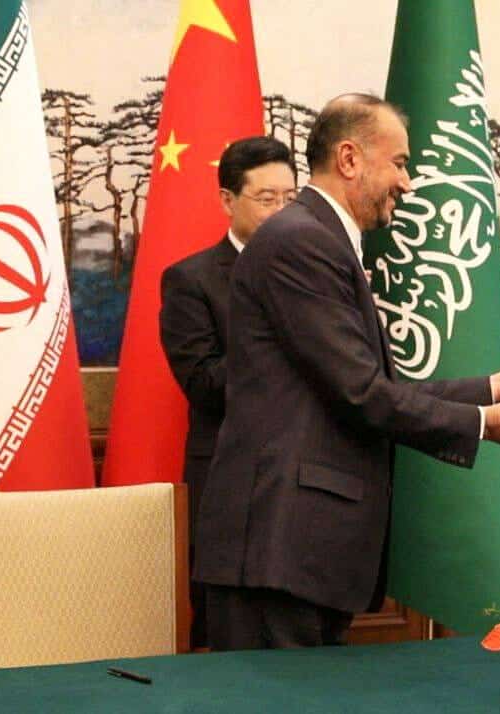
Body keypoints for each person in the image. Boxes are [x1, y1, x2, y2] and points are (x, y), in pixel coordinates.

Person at [194, 93, 500, 650]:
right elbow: (361, 393)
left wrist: (492, 388)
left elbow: (366, 384)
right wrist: (486, 423)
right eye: (399, 163)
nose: (407, 182)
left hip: (301, 551)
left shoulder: (316, 238)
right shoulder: (301, 241)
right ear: (350, 159)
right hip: (280, 549)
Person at [158, 136, 296, 648]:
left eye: (290, 199)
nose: (282, 212)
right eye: (267, 199)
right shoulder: (191, 280)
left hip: (306, 485)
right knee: (232, 644)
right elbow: (204, 385)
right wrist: (281, 328)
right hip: (231, 489)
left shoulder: (318, 275)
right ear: (227, 200)